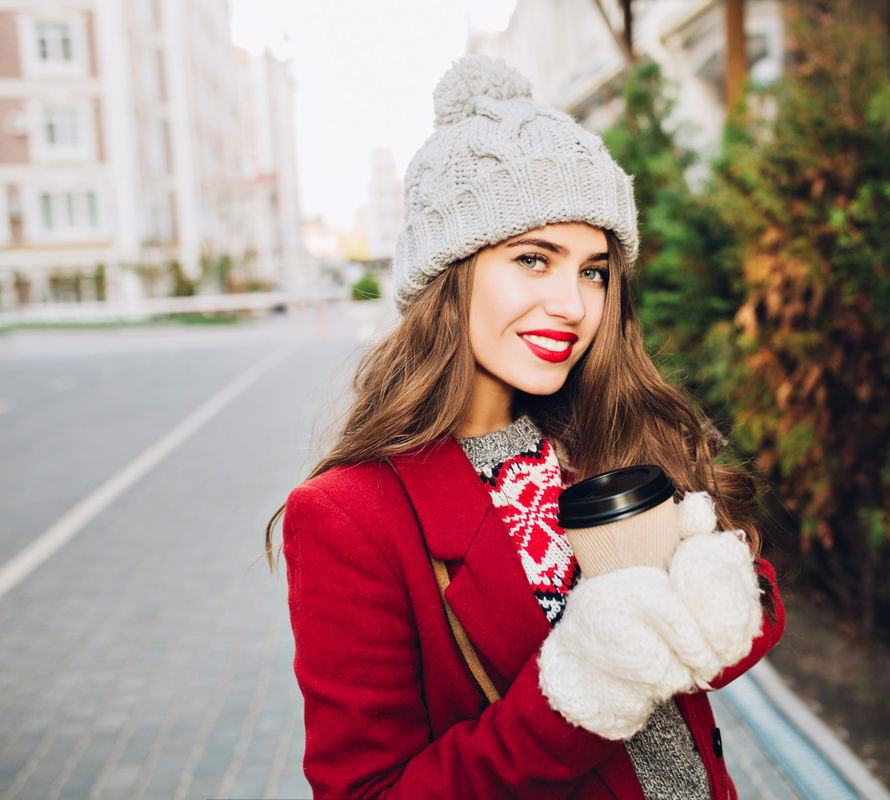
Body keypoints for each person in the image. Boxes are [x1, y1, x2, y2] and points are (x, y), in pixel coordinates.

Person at [266, 55, 786, 799]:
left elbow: (741, 618)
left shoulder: (604, 431)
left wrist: (726, 598)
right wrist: (579, 690)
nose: (574, 305)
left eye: (594, 270)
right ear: (451, 273)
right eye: (534, 259)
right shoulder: (352, 517)